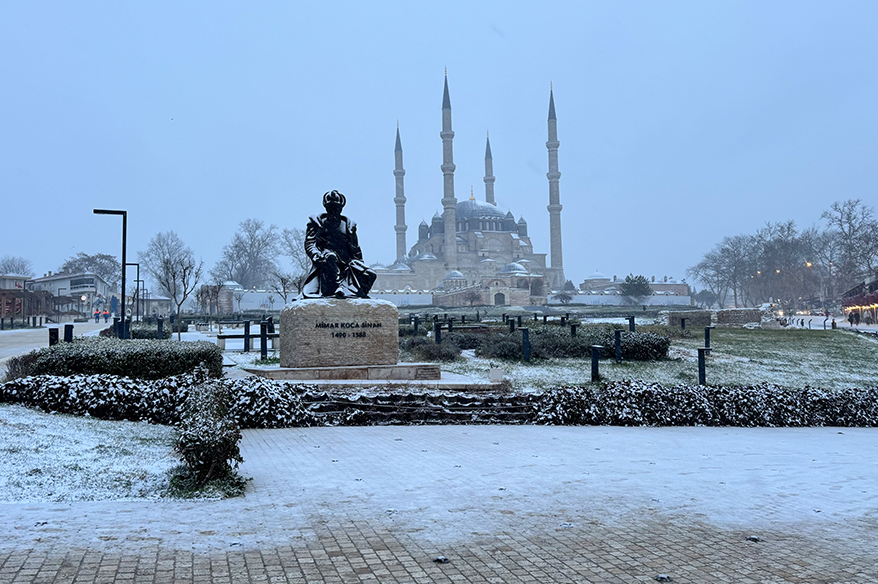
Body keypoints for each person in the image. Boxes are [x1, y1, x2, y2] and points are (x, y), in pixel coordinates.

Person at [300, 190, 377, 299]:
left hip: (347, 263)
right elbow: (310, 243)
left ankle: (358, 296)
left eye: (336, 208)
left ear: (341, 208)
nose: (333, 211)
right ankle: (337, 288)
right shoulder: (317, 223)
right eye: (330, 208)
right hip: (326, 259)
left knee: (370, 274)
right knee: (331, 257)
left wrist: (359, 265)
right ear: (326, 208)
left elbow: (355, 250)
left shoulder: (348, 226)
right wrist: (316, 255)